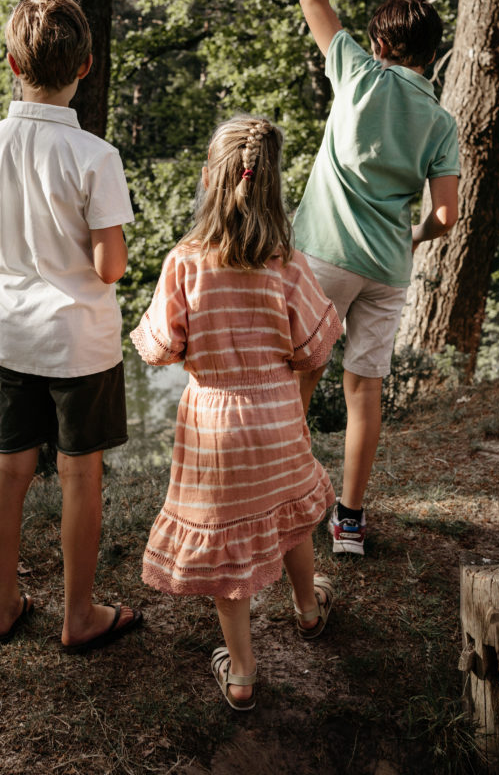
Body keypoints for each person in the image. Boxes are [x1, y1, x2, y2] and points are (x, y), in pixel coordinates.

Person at [130, 115, 343, 711]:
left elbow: (158, 346)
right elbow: (315, 346)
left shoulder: (187, 261)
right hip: (277, 417)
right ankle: (307, 609)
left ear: (207, 180)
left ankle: (244, 671)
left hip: (214, 427)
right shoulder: (286, 262)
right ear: (274, 188)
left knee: (228, 551)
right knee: (290, 514)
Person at [0, 0, 142, 651]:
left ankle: (4, 605)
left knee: (9, 470)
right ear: (85, 66)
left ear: (10, 62)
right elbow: (110, 266)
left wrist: (18, 242)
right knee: (78, 475)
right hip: (79, 343)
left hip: (15, 335)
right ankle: (78, 615)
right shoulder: (95, 156)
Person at [293, 0, 460, 556]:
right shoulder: (440, 121)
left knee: (300, 378)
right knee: (365, 390)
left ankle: (285, 498)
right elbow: (445, 219)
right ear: (430, 52)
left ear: (380, 44)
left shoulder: (358, 74)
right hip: (388, 268)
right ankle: (350, 522)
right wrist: (413, 237)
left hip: (324, 257)